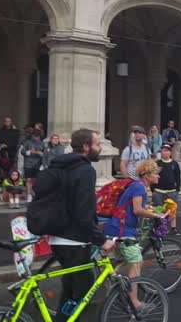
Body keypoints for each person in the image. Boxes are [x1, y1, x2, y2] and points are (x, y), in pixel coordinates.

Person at [48, 129, 115, 322]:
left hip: (57, 237)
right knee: (85, 291)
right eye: (97, 144)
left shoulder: (59, 166)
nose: (100, 148)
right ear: (86, 147)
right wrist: (101, 240)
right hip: (75, 241)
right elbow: (83, 212)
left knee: (70, 290)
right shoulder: (85, 170)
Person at [104, 160, 166, 313]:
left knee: (124, 260)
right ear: (147, 175)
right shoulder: (139, 187)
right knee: (136, 263)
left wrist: (152, 209)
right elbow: (138, 210)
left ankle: (115, 286)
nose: (158, 177)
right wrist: (156, 215)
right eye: (156, 173)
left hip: (117, 227)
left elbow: (135, 207)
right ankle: (135, 303)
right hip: (123, 230)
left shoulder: (136, 186)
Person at [152, 144, 181, 236]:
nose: (163, 152)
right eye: (162, 151)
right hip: (159, 191)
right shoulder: (157, 163)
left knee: (172, 210)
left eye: (166, 151)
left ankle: (173, 227)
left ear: (170, 152)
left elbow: (178, 176)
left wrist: (177, 188)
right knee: (158, 210)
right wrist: (153, 188)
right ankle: (159, 227)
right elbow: (153, 175)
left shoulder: (174, 164)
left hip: (171, 191)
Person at [21, 129, 45, 202]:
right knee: (28, 179)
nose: (36, 138)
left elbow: (45, 154)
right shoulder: (28, 142)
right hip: (28, 163)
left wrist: (39, 153)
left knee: (35, 180)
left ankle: (32, 193)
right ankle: (29, 195)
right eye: (34, 136)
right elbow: (23, 151)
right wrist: (29, 152)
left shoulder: (42, 143)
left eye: (37, 137)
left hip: (37, 164)